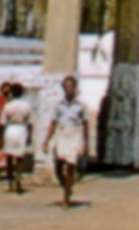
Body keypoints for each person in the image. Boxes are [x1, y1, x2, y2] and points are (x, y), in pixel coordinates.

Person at [42, 75, 90, 210]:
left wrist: (86, 144)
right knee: (58, 165)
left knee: (70, 166)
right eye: (66, 87)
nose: (69, 89)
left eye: (71, 86)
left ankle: (65, 198)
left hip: (75, 133)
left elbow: (85, 124)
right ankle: (66, 187)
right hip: (62, 133)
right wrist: (46, 140)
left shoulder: (81, 105)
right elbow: (53, 122)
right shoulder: (58, 105)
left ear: (75, 88)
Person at [0, 83, 34, 195]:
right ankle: (18, 176)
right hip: (22, 129)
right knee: (19, 157)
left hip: (10, 129)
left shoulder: (8, 106)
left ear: (11, 93)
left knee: (9, 157)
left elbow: (3, 122)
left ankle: (10, 183)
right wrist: (29, 136)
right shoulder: (26, 106)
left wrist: (0, 137)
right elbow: (30, 123)